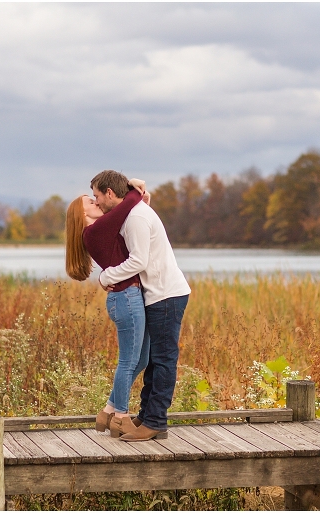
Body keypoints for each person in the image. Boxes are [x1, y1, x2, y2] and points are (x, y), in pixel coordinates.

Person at [91, 170, 191, 442]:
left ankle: (156, 422)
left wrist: (105, 277)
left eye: (97, 196)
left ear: (110, 193)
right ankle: (147, 417)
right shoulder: (133, 211)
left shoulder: (135, 217)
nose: (96, 202)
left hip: (166, 294)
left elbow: (139, 261)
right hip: (157, 293)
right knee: (153, 361)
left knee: (163, 360)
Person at [64, 176, 150, 438]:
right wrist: (134, 188)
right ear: (82, 213)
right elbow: (127, 204)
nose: (96, 200)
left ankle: (108, 410)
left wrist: (142, 196)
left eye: (96, 197)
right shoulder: (94, 231)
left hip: (127, 296)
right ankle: (120, 418)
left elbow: (131, 209)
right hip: (125, 299)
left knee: (142, 359)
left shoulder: (100, 228)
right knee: (127, 361)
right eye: (91, 201)